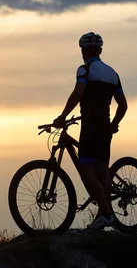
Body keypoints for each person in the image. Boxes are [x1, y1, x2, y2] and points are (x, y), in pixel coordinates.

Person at [52, 32, 128, 230]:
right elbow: (123, 105)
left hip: (90, 127)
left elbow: (78, 92)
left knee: (87, 172)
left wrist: (62, 117)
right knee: (102, 169)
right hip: (105, 127)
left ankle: (106, 212)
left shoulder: (84, 70)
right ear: (100, 50)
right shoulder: (113, 74)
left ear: (83, 52)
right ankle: (105, 215)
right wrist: (114, 124)